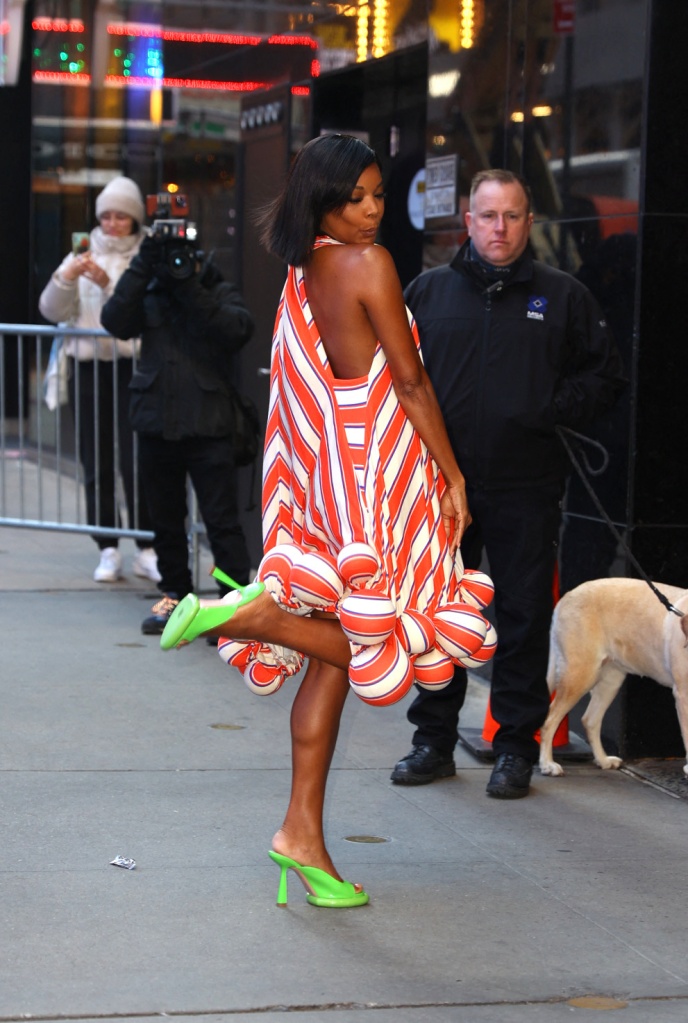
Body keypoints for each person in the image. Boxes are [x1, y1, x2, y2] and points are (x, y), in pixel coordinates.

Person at [157, 134, 473, 908]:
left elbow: (312, 388)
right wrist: (454, 475)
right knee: (395, 637)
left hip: (329, 477)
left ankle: (303, 836)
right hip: (380, 485)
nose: (371, 211)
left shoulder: (304, 274)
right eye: (354, 198)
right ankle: (259, 615)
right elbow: (409, 380)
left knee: (336, 668)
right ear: (320, 201)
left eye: (375, 194)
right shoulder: (368, 265)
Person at [390, 168, 627, 799]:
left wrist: (547, 408)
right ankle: (432, 742)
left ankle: (516, 747)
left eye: (513, 216)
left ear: (528, 220)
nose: (500, 228)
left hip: (528, 483)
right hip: (441, 489)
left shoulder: (563, 295)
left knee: (522, 617)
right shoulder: (428, 292)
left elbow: (605, 377)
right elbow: (394, 378)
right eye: (488, 216)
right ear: (467, 221)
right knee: (441, 618)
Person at [100, 213, 255, 635]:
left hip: (210, 426)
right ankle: (175, 597)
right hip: (156, 422)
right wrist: (142, 265)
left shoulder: (214, 285)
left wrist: (189, 287)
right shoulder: (147, 285)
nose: (177, 265)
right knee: (165, 521)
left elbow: (237, 328)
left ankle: (232, 605)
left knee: (221, 523)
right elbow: (114, 320)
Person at [38, 176, 159, 584]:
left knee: (137, 458)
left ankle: (147, 544)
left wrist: (109, 286)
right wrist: (67, 277)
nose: (111, 224)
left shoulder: (147, 254)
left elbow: (143, 312)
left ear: (135, 219)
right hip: (89, 366)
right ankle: (106, 545)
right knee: (96, 458)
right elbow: (51, 311)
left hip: (133, 364)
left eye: (121, 216)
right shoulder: (83, 250)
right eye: (105, 216)